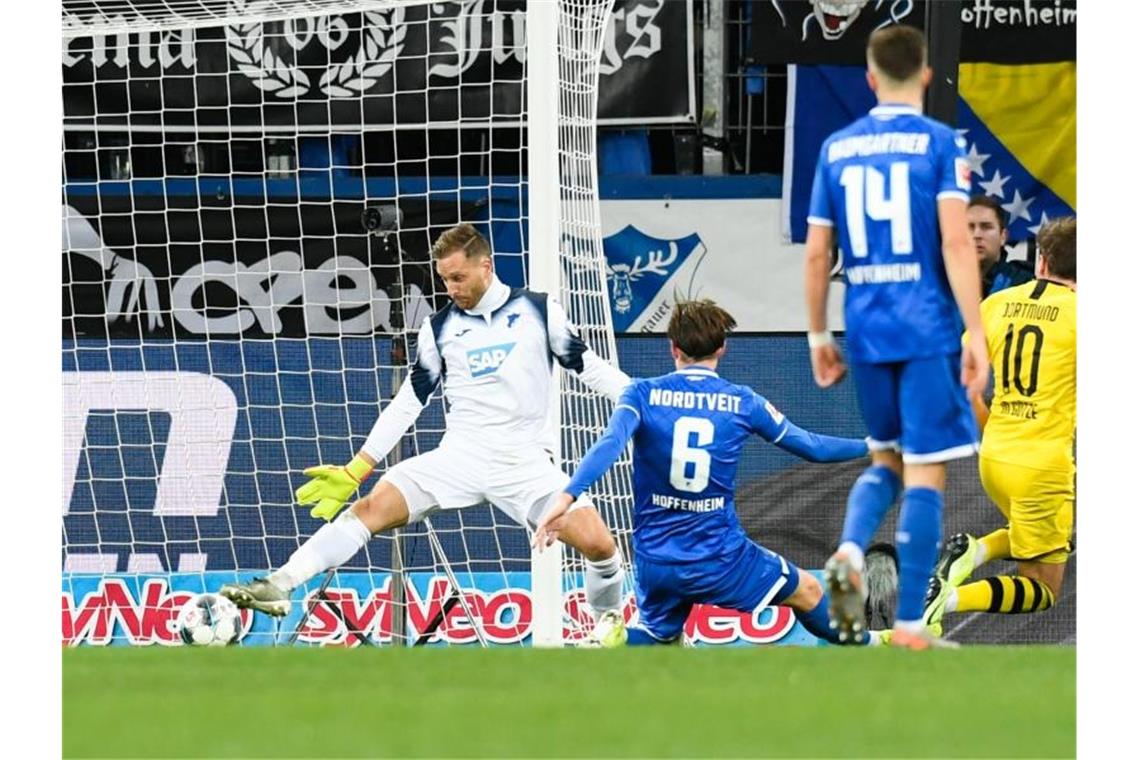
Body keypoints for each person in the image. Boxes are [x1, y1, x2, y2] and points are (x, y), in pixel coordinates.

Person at [222, 223, 632, 645]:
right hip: (458, 458)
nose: (451, 288)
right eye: (444, 280)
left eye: (458, 277)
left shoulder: (539, 310)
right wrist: (358, 466)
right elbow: (408, 401)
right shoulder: (439, 328)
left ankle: (606, 623)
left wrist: (639, 400)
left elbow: (590, 368)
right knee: (370, 508)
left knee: (600, 546)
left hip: (524, 464)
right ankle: (281, 582)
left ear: (486, 266)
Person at [533, 300, 886, 647]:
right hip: (718, 555)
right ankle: (873, 644)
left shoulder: (641, 393)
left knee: (660, 637)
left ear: (673, 348)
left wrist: (566, 496)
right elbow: (811, 446)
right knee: (808, 589)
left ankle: (619, 637)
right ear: (722, 348)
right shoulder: (743, 401)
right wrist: (871, 446)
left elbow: (609, 445)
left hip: (656, 559)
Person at [802, 25, 989, 649]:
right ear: (928, 76)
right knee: (926, 475)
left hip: (868, 326)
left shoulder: (837, 148)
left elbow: (817, 253)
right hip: (928, 326)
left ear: (870, 78)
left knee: (884, 462)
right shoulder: (940, 143)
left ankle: (850, 550)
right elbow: (957, 241)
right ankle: (909, 624)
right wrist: (976, 333)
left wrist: (817, 336)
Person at [924, 217, 1076, 633]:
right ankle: (949, 597)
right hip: (1043, 465)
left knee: (1043, 536)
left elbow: (964, 387)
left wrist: (992, 432)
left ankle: (972, 552)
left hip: (995, 456)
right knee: (1042, 586)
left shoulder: (996, 303)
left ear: (1042, 261)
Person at [968, 195, 1034, 298]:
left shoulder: (1023, 284)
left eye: (986, 227)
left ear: (1003, 236)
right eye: (970, 227)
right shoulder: (941, 283)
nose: (977, 235)